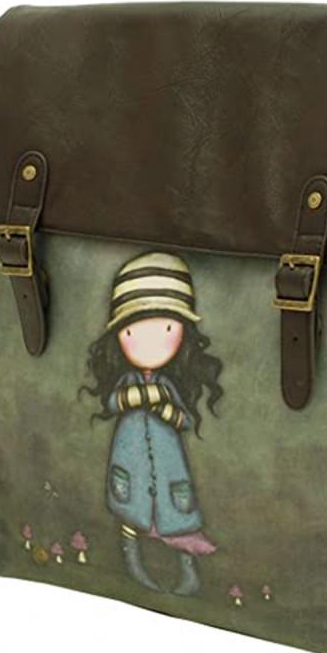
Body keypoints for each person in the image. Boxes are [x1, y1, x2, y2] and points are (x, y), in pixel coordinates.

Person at [82, 251, 223, 595]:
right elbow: (114, 402)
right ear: (120, 334)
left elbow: (183, 419)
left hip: (169, 466)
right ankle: (132, 560)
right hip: (131, 466)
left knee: (176, 516)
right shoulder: (130, 382)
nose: (150, 343)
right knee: (131, 509)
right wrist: (147, 396)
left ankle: (187, 569)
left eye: (166, 329)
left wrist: (165, 408)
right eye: (133, 331)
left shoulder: (168, 386)